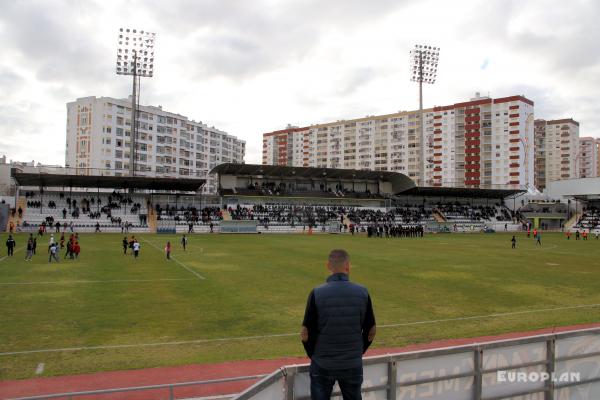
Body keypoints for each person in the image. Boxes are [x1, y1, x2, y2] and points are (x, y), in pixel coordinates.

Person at [301, 249, 376, 400]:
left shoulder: (316, 292)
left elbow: (305, 332)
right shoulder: (362, 292)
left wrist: (313, 354)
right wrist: (358, 351)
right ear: (348, 266)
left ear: (328, 266)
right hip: (352, 362)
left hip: (322, 363)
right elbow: (371, 330)